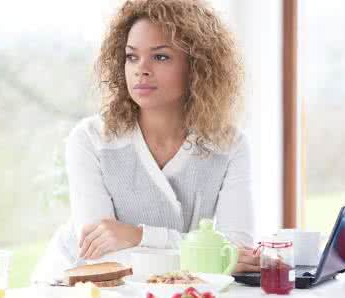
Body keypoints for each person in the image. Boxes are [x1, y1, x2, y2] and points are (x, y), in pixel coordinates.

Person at [32, 0, 258, 282]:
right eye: (131, 57)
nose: (141, 69)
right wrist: (210, 259)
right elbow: (104, 259)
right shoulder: (91, 140)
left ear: (197, 66)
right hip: (71, 285)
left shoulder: (229, 145)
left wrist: (136, 236)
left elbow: (240, 251)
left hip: (168, 289)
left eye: (160, 57)